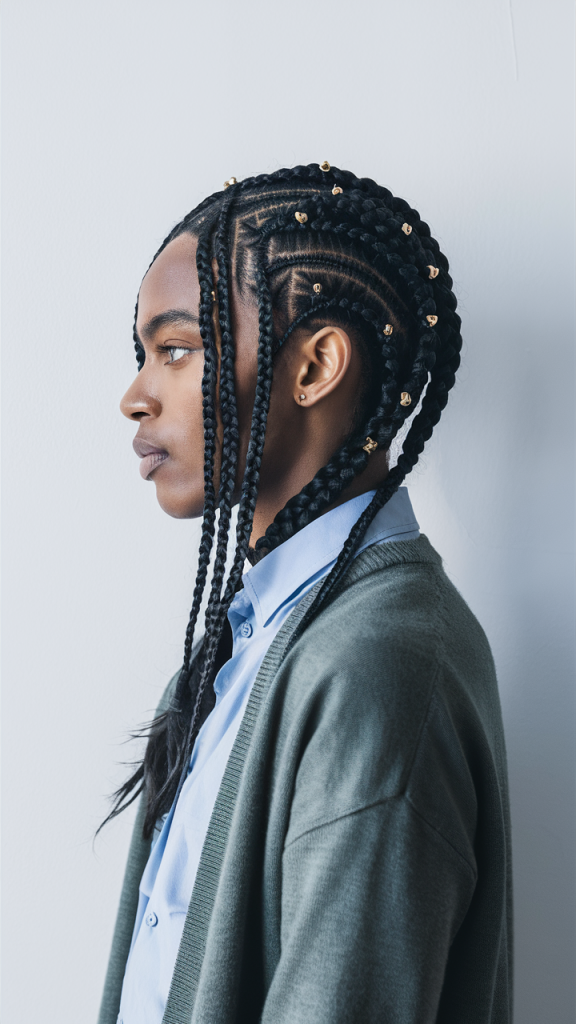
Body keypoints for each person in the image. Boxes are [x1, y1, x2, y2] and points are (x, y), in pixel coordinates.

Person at [98, 163, 512, 1024]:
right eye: (143, 356)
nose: (136, 396)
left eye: (176, 349)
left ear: (316, 364)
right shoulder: (237, 651)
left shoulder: (379, 667)